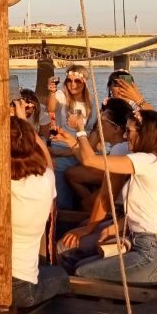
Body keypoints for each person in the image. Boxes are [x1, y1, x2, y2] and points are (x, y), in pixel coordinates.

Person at [0, 81, 69, 307]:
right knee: (61, 277)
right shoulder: (44, 180)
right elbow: (45, 158)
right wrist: (23, 122)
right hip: (19, 285)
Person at [53, 109, 157, 285]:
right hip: (142, 242)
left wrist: (80, 129)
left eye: (129, 131)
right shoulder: (150, 162)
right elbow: (145, 209)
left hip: (156, 253)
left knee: (81, 271)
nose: (125, 135)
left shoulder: (147, 161)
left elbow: (90, 161)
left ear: (145, 135)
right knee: (80, 263)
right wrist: (116, 227)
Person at [63, 97, 132, 212]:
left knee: (84, 204)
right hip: (113, 187)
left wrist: (80, 129)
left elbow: (90, 163)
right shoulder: (121, 146)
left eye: (102, 120)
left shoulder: (120, 149)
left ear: (116, 128)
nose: (98, 124)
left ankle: (94, 212)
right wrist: (70, 142)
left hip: (120, 203)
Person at [46, 65, 97, 208]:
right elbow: (51, 107)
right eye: (69, 80)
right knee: (60, 172)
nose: (73, 84)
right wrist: (51, 92)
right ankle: (64, 211)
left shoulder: (92, 102)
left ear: (85, 82)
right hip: (62, 146)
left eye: (77, 81)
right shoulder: (61, 96)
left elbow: (95, 130)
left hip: (82, 149)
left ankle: (87, 210)